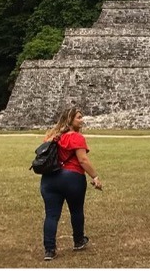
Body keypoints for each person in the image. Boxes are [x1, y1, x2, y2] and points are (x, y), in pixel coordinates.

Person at [39, 106, 103, 262]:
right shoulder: (76, 137)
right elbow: (82, 160)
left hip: (49, 179)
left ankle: (49, 250)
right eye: (79, 117)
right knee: (76, 211)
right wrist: (95, 177)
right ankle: (78, 241)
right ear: (70, 120)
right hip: (71, 177)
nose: (82, 120)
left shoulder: (51, 137)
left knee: (51, 215)